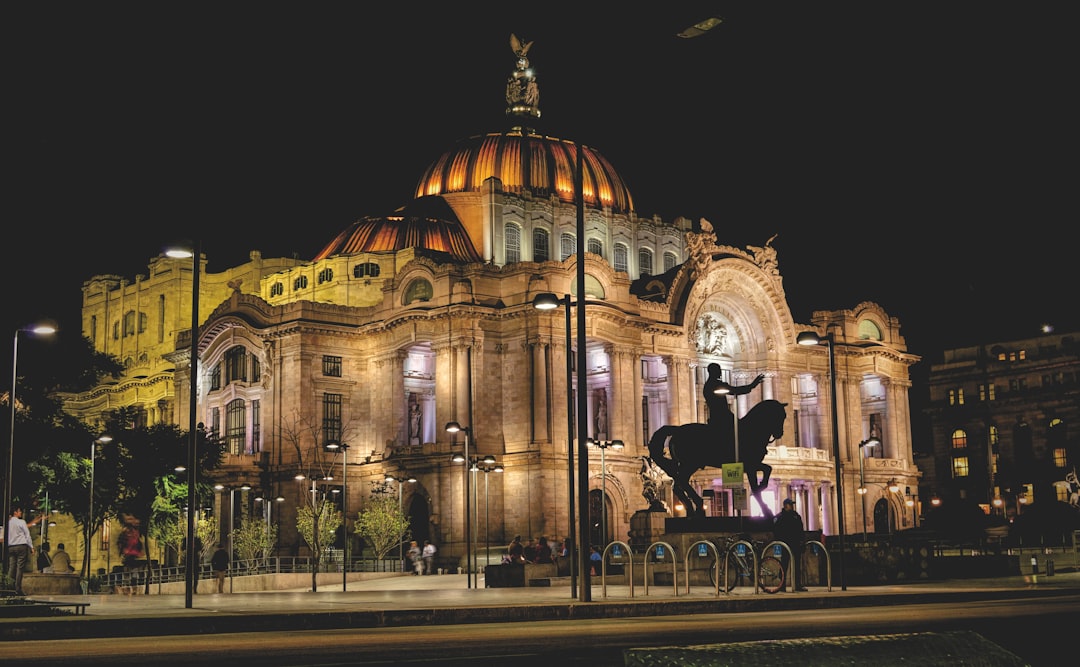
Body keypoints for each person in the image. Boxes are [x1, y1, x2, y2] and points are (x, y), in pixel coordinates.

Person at [703, 363, 764, 437]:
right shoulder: (716, 384)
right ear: (714, 371)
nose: (720, 372)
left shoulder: (708, 385)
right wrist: (752, 385)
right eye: (719, 370)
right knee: (743, 431)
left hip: (715, 416)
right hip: (723, 417)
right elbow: (735, 390)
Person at [773, 498, 807, 591]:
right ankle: (782, 585)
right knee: (784, 564)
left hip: (795, 544)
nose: (792, 506)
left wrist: (802, 541)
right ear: (785, 505)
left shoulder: (795, 516)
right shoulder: (780, 517)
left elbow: (800, 530)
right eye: (790, 504)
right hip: (785, 544)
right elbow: (776, 531)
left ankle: (797, 584)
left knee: (796, 565)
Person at [5, 506, 39, 595]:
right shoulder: (21, 522)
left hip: (11, 547)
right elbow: (27, 535)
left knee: (12, 567)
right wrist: (31, 546)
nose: (21, 513)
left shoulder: (7, 523)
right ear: (15, 512)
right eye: (19, 511)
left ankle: (9, 587)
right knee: (20, 568)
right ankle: (18, 588)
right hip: (21, 546)